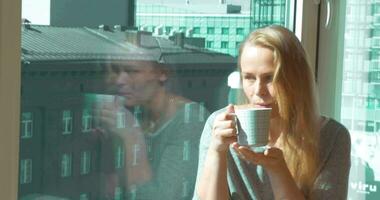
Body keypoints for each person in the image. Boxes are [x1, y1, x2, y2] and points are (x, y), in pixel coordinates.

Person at [193, 25, 351, 200]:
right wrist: (217, 151)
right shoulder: (220, 125)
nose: (258, 90)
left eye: (270, 78)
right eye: (249, 77)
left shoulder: (332, 137)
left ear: (296, 79)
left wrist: (278, 170)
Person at [96, 60, 208, 200]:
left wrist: (132, 137)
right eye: (117, 71)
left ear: (162, 73)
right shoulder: (137, 113)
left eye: (132, 71)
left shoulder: (190, 120)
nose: (119, 80)